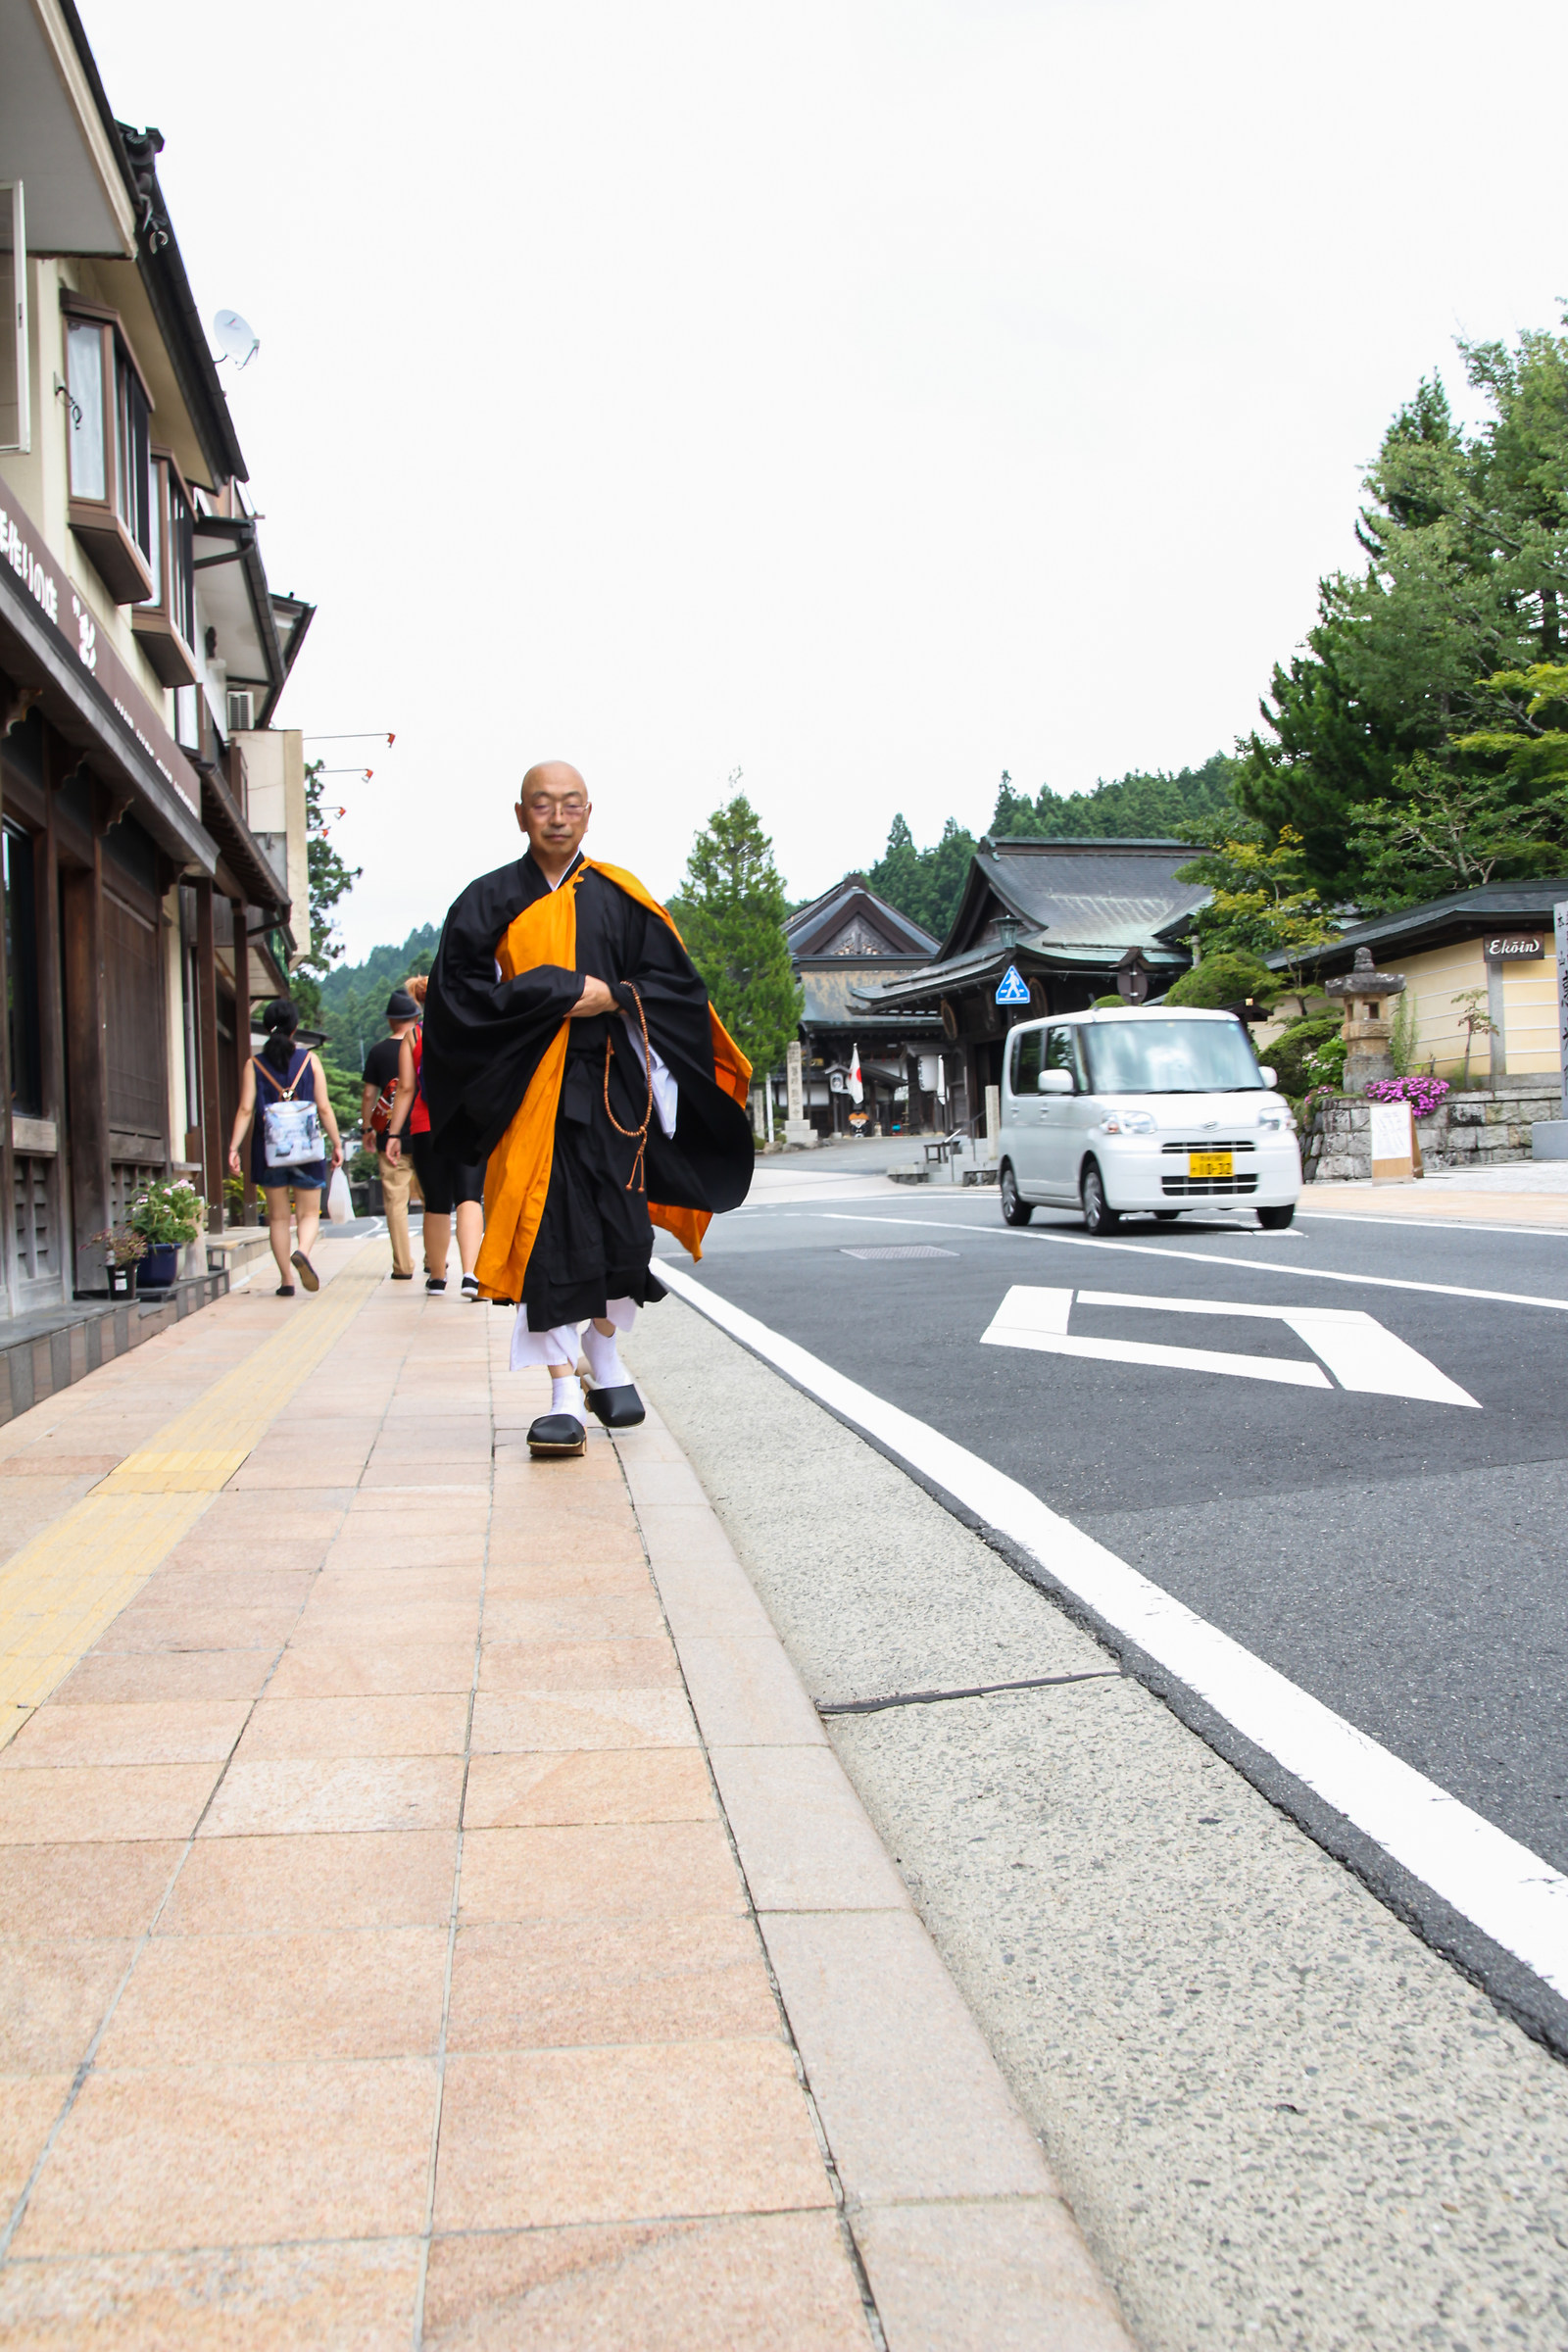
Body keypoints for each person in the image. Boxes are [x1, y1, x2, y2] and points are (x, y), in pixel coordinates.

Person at [422, 759, 754, 1456]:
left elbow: (675, 989)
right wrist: (547, 991)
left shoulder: (619, 896)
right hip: (528, 1090)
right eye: (542, 804)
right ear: (521, 815)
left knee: (624, 1237)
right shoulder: (486, 901)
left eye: (570, 803)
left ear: (589, 812)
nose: (556, 815)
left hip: (613, 1091)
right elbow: (458, 1000)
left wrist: (615, 996)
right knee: (546, 1244)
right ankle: (562, 1393)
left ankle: (604, 1354)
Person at [227, 997, 344, 1297]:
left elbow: (244, 1109)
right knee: (308, 1214)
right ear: (295, 1028)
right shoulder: (309, 1061)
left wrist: (233, 1148)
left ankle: (286, 1282)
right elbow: (325, 1107)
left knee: (278, 1217)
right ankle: (303, 1252)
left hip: (269, 1151)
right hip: (306, 1149)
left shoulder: (254, 1065)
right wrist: (336, 1142)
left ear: (268, 1028)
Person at [383, 977, 487, 1298]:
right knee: (469, 1197)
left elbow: (405, 1089)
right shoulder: (471, 1026)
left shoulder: (413, 1036)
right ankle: (471, 1275)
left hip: (425, 1125)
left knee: (437, 1203)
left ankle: (438, 1278)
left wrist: (394, 1133)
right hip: (468, 1122)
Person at [360, 988, 419, 1280]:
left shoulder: (378, 1052)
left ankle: (403, 1266)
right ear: (416, 1016)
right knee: (435, 1201)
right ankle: (436, 1264)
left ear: (390, 1021)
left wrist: (367, 1128)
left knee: (396, 1202)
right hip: (426, 1132)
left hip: (389, 1136)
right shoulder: (426, 1043)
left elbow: (369, 1095)